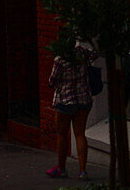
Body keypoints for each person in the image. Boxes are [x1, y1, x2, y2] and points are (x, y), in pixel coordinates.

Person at [46, 42, 98, 180]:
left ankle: (61, 169)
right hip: (83, 98)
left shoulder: (60, 59)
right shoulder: (81, 53)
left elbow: (52, 80)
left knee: (62, 134)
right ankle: (82, 171)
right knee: (80, 134)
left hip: (65, 100)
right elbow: (95, 54)